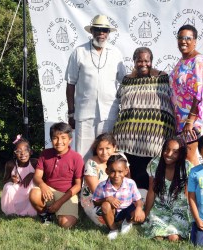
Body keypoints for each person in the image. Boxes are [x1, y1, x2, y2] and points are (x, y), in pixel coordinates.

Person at [112, 47, 176, 190]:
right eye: (139, 61)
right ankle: (132, 206)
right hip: (128, 137)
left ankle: (150, 207)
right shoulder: (127, 80)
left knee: (153, 177)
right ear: (134, 62)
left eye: (146, 60)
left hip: (155, 138)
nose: (143, 64)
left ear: (151, 61)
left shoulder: (163, 78)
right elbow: (118, 101)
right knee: (131, 177)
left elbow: (174, 101)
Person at [65, 14, 126, 162]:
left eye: (105, 30)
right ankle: (83, 185)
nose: (101, 33)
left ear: (109, 33)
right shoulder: (79, 52)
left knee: (108, 154)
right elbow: (70, 83)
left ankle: (107, 185)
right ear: (91, 31)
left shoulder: (116, 53)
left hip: (109, 113)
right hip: (84, 113)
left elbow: (124, 82)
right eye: (98, 30)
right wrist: (71, 112)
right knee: (82, 154)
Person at [29, 122, 84, 228]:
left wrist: (59, 202)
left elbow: (78, 186)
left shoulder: (76, 158)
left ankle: (58, 210)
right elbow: (37, 176)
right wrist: (42, 185)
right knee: (34, 194)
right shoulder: (45, 153)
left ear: (70, 140)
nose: (59, 142)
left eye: (63, 138)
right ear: (51, 139)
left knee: (66, 224)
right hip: (49, 191)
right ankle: (45, 214)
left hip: (67, 194)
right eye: (55, 138)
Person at [170, 24, 203, 166]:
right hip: (180, 119)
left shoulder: (198, 61)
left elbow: (199, 94)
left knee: (189, 157)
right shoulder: (181, 61)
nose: (183, 41)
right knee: (183, 157)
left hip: (190, 119)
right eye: (180, 38)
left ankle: (195, 188)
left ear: (195, 41)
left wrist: (190, 121)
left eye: (188, 38)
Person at [143, 137, 193, 241]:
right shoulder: (155, 164)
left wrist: (193, 217)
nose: (169, 154)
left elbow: (190, 195)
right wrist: (146, 215)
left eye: (175, 152)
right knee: (157, 236)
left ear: (181, 154)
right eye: (166, 149)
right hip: (159, 207)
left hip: (180, 209)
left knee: (173, 238)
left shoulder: (187, 168)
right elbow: (151, 191)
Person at [92, 154, 145, 240]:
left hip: (127, 208)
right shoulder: (102, 186)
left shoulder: (131, 183)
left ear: (126, 171)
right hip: (113, 212)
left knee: (141, 216)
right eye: (113, 171)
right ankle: (113, 229)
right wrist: (107, 199)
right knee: (105, 205)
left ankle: (127, 222)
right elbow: (95, 201)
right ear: (107, 171)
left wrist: (139, 208)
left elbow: (138, 200)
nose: (116, 175)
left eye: (120, 172)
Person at [80, 132, 117, 226]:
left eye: (108, 148)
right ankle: (115, 222)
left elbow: (128, 182)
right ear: (96, 150)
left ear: (114, 147)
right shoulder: (91, 164)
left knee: (141, 198)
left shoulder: (121, 159)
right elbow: (97, 193)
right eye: (101, 149)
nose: (104, 152)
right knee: (105, 210)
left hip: (118, 196)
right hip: (96, 201)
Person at [1, 136, 37, 216]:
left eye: (25, 150)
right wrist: (11, 179)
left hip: (29, 191)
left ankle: (30, 211)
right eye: (19, 151)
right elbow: (4, 181)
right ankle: (11, 211)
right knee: (8, 187)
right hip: (17, 191)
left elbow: (43, 177)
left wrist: (32, 174)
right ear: (15, 153)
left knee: (34, 188)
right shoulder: (10, 164)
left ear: (30, 152)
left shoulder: (35, 163)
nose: (22, 153)